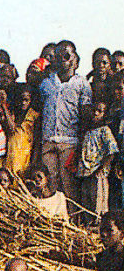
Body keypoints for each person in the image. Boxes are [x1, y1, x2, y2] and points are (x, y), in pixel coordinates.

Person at [39, 40, 92, 210]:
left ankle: (73, 223)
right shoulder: (46, 83)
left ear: (75, 60)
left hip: (70, 142)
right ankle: (55, 223)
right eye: (58, 56)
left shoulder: (82, 84)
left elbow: (84, 116)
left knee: (70, 186)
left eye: (67, 56)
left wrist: (81, 144)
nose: (62, 59)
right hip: (48, 141)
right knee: (51, 185)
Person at [76, 100, 119, 220]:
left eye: (99, 111)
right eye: (94, 110)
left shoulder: (104, 130)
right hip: (85, 173)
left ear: (104, 114)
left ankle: (97, 227)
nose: (95, 113)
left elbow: (112, 151)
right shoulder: (88, 132)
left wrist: (101, 169)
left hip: (97, 173)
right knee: (86, 202)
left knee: (98, 204)